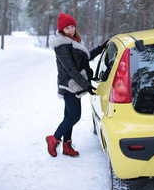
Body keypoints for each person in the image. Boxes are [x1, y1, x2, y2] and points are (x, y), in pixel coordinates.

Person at [46, 12, 108, 157]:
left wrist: (100, 48)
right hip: (69, 85)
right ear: (61, 30)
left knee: (68, 116)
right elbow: (70, 69)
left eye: (72, 26)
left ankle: (67, 146)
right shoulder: (62, 45)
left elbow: (84, 59)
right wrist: (86, 85)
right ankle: (53, 139)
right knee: (74, 116)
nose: (71, 30)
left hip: (75, 84)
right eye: (67, 28)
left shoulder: (74, 41)